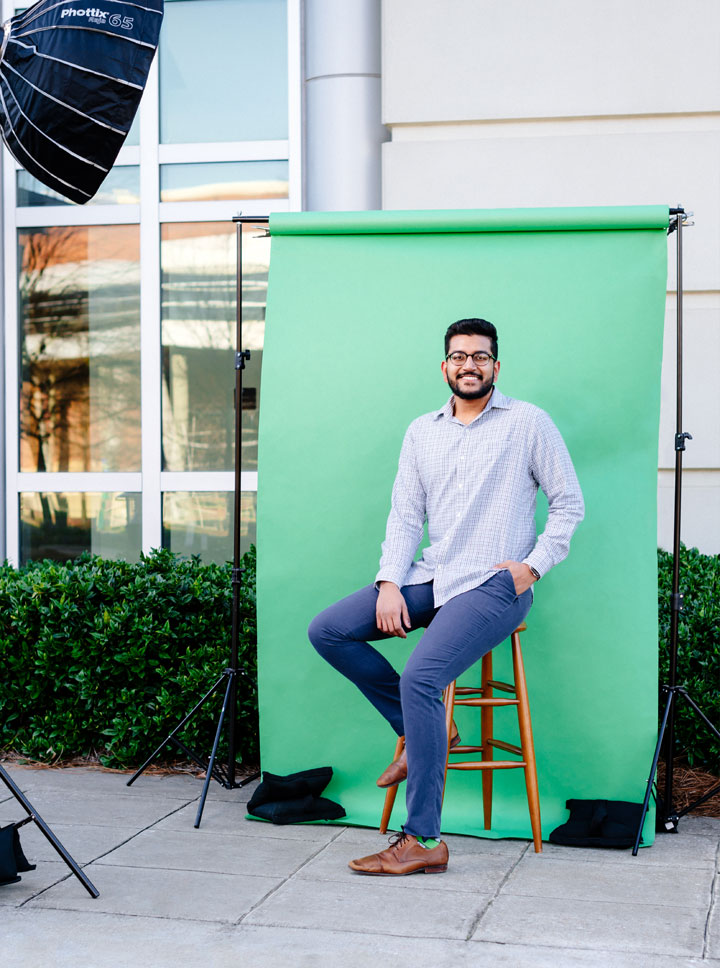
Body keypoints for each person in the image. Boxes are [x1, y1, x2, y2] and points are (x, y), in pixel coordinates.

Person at [308, 318, 584, 875]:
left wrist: (531, 568)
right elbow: (406, 515)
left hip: (494, 585)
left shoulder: (528, 423)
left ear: (495, 367)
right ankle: (417, 727)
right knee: (329, 630)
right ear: (444, 367)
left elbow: (569, 503)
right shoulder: (421, 432)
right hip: (434, 576)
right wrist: (390, 582)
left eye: (480, 357)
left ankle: (424, 840)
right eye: (459, 356)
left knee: (422, 678)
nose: (469, 365)